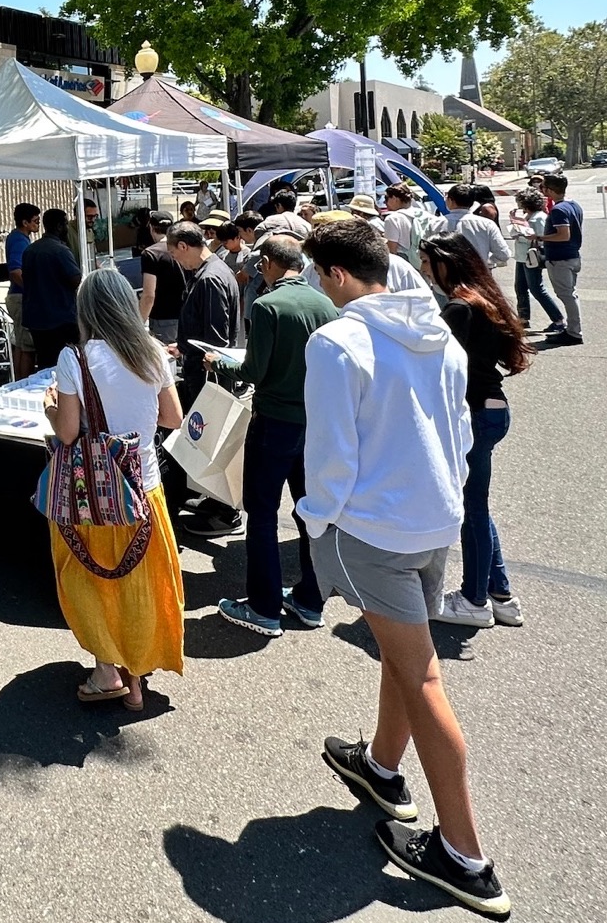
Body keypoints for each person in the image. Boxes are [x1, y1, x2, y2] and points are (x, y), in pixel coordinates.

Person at [299, 220, 508, 919]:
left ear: (332, 274)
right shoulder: (436, 331)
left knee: (420, 675)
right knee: (402, 654)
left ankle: (464, 856)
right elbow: (456, 431)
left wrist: (313, 518)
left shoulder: (335, 342)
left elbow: (329, 452)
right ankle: (381, 768)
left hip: (370, 527)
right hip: (431, 517)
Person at [43, 269, 185, 712]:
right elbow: (172, 419)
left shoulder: (76, 358)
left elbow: (67, 433)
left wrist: (50, 406)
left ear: (86, 309)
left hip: (93, 496)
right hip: (145, 488)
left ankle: (107, 671)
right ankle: (137, 673)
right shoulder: (153, 353)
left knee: (92, 581)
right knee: (140, 586)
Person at [212, 235, 339, 636]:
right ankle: (310, 598)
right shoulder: (327, 305)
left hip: (273, 421)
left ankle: (264, 606)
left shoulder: (267, 305)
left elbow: (253, 372)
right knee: (310, 513)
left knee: (262, 513)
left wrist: (219, 362)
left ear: (267, 262)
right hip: (314, 422)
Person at [419, 234, 530, 629]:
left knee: (471, 510)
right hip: (492, 411)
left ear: (447, 262)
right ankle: (500, 595)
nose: (424, 271)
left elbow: (433, 363)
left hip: (475, 414)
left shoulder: (459, 308)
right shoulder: (481, 298)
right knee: (477, 506)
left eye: (429, 262)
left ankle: (475, 600)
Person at [165, 221, 244, 535]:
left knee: (214, 443)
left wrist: (195, 354)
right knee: (209, 444)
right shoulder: (213, 271)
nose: (176, 260)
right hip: (207, 372)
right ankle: (214, 501)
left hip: (212, 377)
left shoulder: (211, 277)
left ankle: (225, 513)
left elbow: (215, 340)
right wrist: (182, 347)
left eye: (174, 253)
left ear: (184, 246)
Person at [22, 208, 84, 368]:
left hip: (36, 319)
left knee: (44, 362)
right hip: (60, 319)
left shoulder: (30, 250)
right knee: (67, 363)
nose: (67, 228)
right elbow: (75, 279)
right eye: (65, 224)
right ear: (58, 226)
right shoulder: (60, 250)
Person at [509, 188, 564, 333]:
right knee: (520, 288)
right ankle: (523, 318)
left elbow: (541, 237)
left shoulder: (539, 217)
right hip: (522, 256)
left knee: (536, 288)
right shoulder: (529, 216)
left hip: (531, 256)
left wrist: (526, 235)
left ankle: (558, 319)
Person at [539, 173, 584, 346]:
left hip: (561, 258)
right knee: (570, 294)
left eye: (543, 187)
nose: (541, 190)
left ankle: (574, 332)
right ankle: (573, 330)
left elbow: (563, 235)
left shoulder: (558, 210)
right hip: (572, 255)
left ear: (550, 190)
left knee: (567, 295)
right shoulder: (573, 205)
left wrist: (540, 237)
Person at [137, 210, 186, 344]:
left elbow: (148, 295)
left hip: (162, 318)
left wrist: (139, 323)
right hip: (187, 315)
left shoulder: (151, 254)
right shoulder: (184, 247)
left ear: (151, 228)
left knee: (168, 361)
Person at [5, 204, 42, 378]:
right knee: (28, 346)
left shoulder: (17, 237)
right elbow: (15, 271)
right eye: (35, 221)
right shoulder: (20, 240)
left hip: (16, 296)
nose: (38, 224)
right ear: (25, 222)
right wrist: (31, 292)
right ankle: (25, 382)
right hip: (20, 297)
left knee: (20, 344)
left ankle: (19, 381)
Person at [442, 185, 511, 271]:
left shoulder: (435, 223)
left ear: (450, 200)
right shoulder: (487, 224)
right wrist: (485, 262)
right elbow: (504, 254)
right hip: (479, 274)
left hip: (446, 275)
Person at [382, 184, 432, 270]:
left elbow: (392, 251)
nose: (385, 203)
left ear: (394, 198)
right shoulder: (425, 215)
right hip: (426, 263)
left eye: (386, 198)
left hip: (405, 265)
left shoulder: (392, 219)